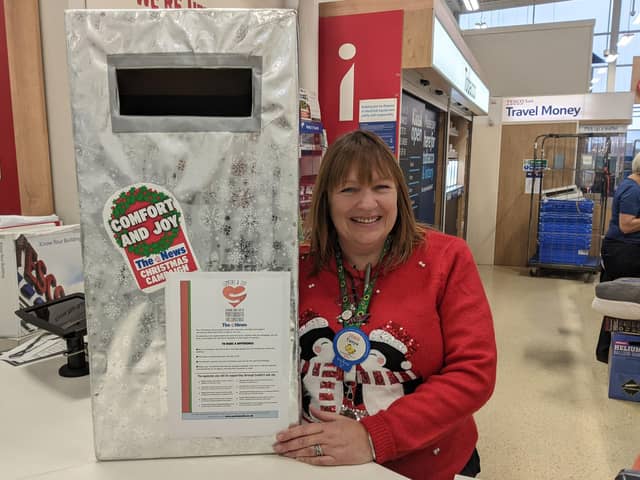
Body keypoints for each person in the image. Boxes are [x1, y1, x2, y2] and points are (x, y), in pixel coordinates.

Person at [273, 130, 497, 480]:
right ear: (326, 201)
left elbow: (473, 372)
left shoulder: (446, 259)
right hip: (316, 462)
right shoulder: (297, 266)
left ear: (399, 196)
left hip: (426, 465)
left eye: (380, 187)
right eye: (348, 190)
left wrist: (374, 437)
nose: (367, 204)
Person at [595, 153, 640, 362]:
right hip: (624, 252)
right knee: (622, 300)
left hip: (623, 250)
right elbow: (626, 225)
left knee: (618, 302)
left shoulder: (631, 186)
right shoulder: (633, 190)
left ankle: (606, 351)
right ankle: (609, 351)